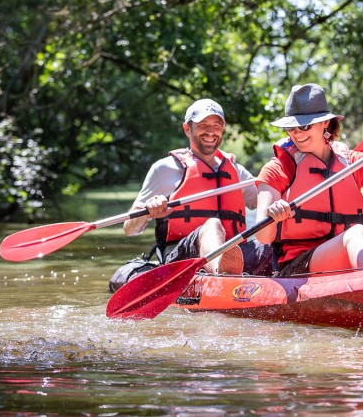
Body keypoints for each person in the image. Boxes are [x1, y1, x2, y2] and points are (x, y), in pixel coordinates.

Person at [255, 83, 363, 277]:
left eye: (304, 125)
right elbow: (263, 237)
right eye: (291, 128)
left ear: (325, 123)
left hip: (349, 257)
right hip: (298, 267)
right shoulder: (277, 169)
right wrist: (272, 217)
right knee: (356, 233)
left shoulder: (350, 161)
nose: (297, 133)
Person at [112, 99, 272, 289]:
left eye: (216, 125)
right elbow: (129, 229)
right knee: (212, 225)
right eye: (203, 125)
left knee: (271, 244)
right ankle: (224, 277)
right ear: (187, 129)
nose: (211, 131)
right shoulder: (164, 169)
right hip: (181, 258)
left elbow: (265, 207)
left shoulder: (237, 172)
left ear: (223, 128)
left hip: (235, 252)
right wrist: (148, 211)